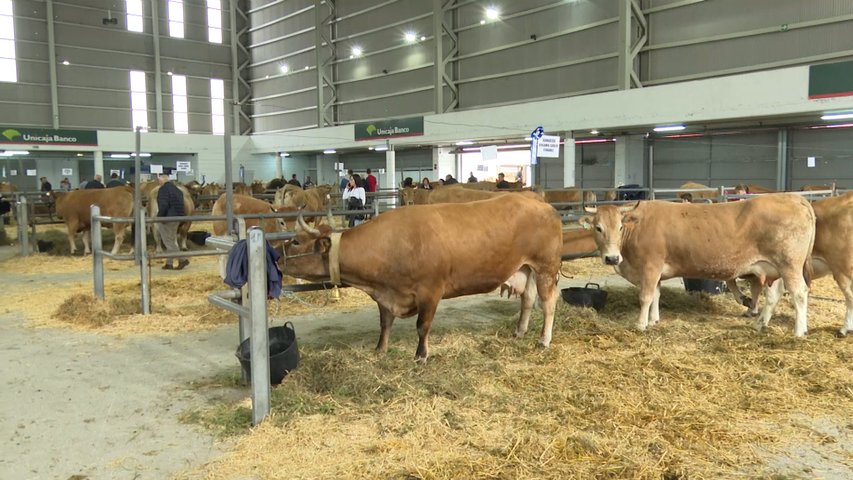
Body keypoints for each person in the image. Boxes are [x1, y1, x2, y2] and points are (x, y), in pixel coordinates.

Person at [156, 173, 189, 270]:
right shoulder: (178, 190)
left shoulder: (163, 190)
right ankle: (169, 263)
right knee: (171, 240)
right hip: (177, 217)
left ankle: (183, 260)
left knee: (168, 241)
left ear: (162, 181)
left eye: (159, 181)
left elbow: (164, 205)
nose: (158, 183)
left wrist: (160, 217)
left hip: (167, 218)